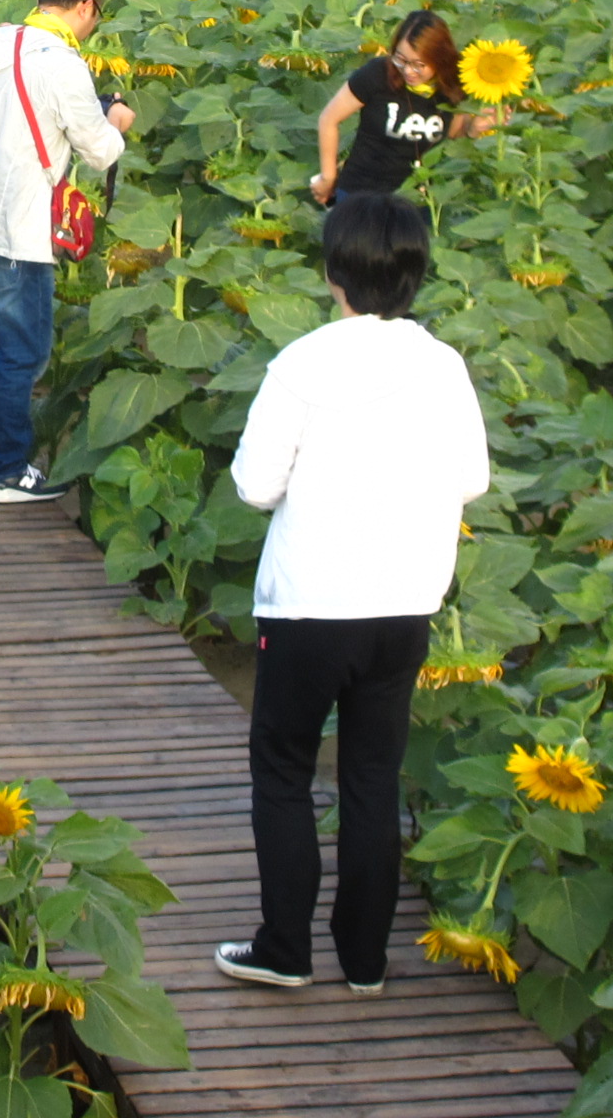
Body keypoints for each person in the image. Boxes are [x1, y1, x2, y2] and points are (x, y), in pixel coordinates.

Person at [215, 192, 489, 996]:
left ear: (333, 272)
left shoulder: (302, 364)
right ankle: (365, 961)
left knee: (284, 770)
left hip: (310, 602)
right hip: (405, 601)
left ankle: (285, 949)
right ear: (416, 274)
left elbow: (255, 486)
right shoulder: (442, 365)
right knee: (374, 778)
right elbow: (472, 478)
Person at [0, 0, 135, 504]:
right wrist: (115, 121)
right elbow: (99, 150)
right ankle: (3, 470)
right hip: (15, 228)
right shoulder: (63, 64)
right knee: (22, 352)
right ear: (86, 5)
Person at [308, 7, 506, 207]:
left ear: (439, 59)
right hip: (361, 193)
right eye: (401, 59)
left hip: (416, 200)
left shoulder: (452, 85)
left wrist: (472, 128)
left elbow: (452, 131)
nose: (408, 71)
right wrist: (328, 177)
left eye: (419, 65)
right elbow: (329, 119)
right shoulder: (377, 75)